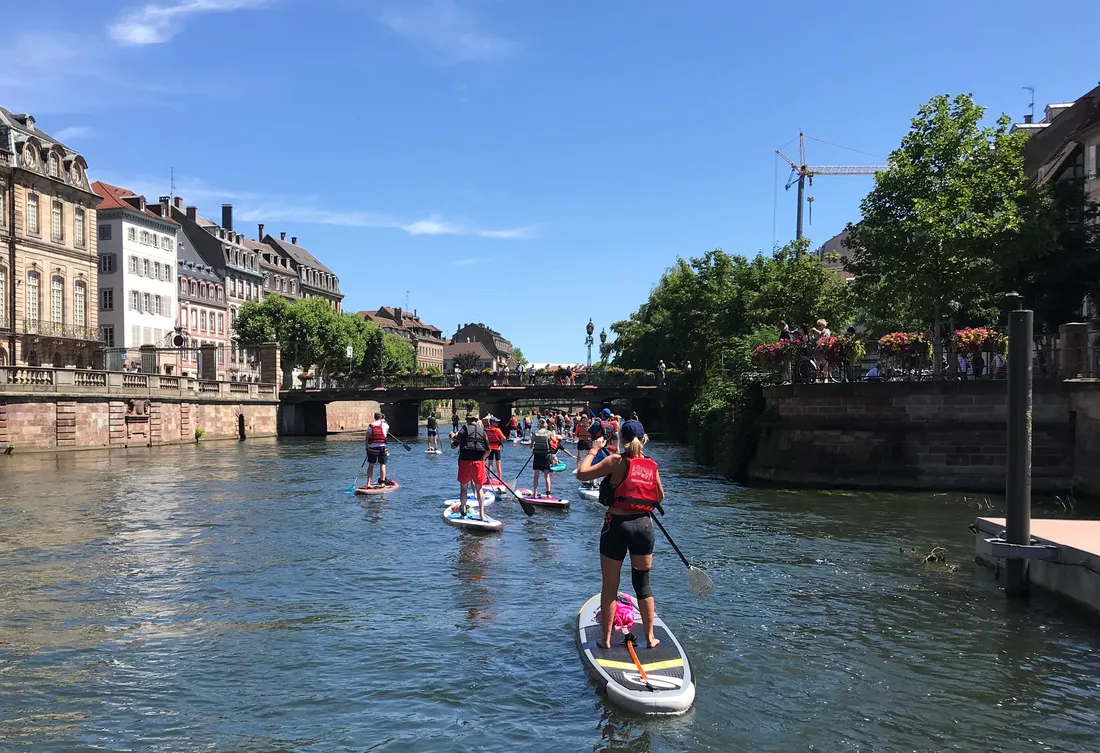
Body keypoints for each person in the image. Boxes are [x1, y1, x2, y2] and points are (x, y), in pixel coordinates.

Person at [576, 418, 664, 650]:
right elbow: (659, 496)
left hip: (616, 526)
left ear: (621, 439)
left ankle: (605, 640)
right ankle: (651, 638)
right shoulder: (651, 465)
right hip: (644, 527)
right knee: (643, 585)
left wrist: (593, 450)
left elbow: (582, 474)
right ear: (643, 439)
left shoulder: (615, 460)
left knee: (610, 586)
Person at [450, 410, 490, 519]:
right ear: (476, 420)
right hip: (479, 462)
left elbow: (454, 445)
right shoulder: (483, 431)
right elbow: (488, 449)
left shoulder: (464, 430)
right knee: (479, 488)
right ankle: (482, 514)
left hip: (465, 461)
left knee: (463, 488)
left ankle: (463, 512)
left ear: (467, 420)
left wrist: (451, 437)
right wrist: (482, 459)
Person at [364, 412, 393, 487]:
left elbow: (367, 438)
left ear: (374, 417)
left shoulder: (370, 426)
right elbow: (386, 433)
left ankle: (368, 483)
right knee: (382, 464)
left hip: (372, 448)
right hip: (382, 447)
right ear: (381, 418)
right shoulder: (385, 425)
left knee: (371, 465)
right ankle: (382, 483)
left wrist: (367, 448)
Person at [531, 418, 555, 497]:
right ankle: (548, 494)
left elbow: (531, 446)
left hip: (537, 456)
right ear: (545, 425)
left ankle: (534, 493)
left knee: (536, 475)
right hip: (546, 456)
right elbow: (554, 441)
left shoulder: (535, 433)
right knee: (547, 476)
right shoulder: (549, 433)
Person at [485, 415, 506, 482]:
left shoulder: (487, 430)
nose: (497, 423)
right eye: (496, 422)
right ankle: (500, 480)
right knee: (498, 465)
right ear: (492, 422)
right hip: (497, 449)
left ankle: (489, 479)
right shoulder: (497, 430)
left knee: (490, 463)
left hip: (489, 449)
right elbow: (504, 438)